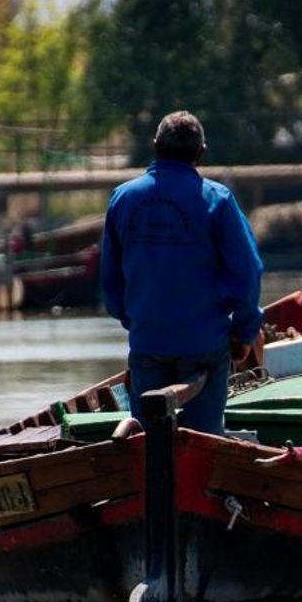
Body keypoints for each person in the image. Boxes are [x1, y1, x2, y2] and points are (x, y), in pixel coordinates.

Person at [100, 110, 264, 434]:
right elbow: (248, 273)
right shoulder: (217, 200)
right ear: (201, 152)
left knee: (149, 444)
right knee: (203, 441)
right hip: (204, 345)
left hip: (149, 342)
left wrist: (135, 319)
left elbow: (110, 279)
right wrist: (243, 334)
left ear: (155, 145)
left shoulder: (123, 199)